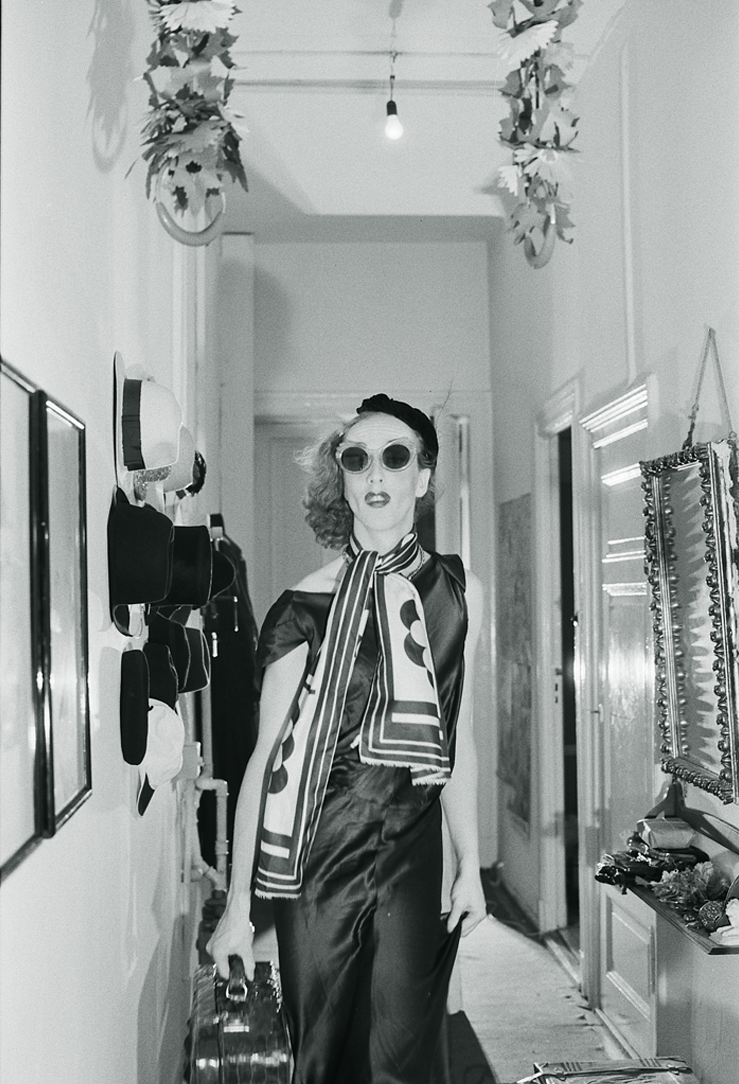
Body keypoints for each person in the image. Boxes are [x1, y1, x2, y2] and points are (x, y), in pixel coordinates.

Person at [208, 393, 486, 1084]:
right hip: (318, 859)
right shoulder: (303, 607)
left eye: (395, 456)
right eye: (357, 459)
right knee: (325, 1053)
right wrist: (237, 909)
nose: (376, 473)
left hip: (413, 856)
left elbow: (456, 735)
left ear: (423, 476)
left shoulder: (459, 592)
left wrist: (470, 862)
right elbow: (264, 762)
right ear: (342, 478)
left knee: (402, 1053)